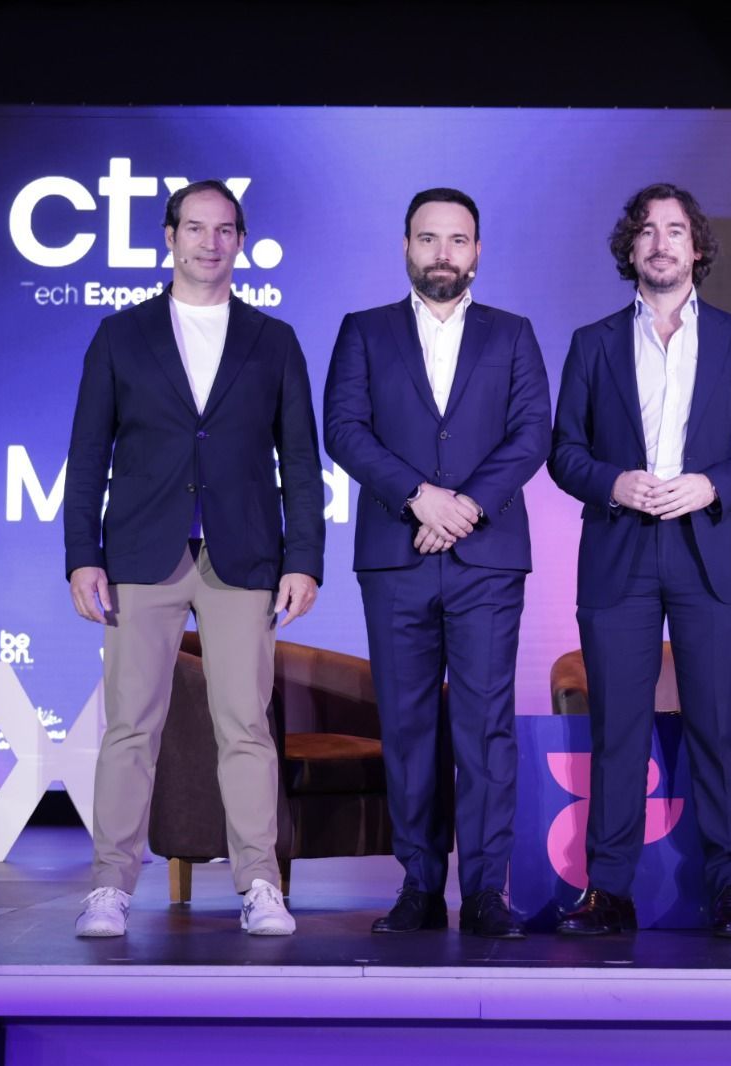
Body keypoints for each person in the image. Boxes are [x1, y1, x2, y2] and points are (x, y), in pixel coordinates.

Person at [63, 180, 325, 937]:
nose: (211, 243)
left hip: (243, 555)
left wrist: (303, 559)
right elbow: (88, 455)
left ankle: (260, 884)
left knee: (245, 726)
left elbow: (299, 463)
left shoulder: (273, 340)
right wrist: (82, 554)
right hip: (142, 553)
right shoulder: (121, 335)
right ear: (170, 237)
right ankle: (110, 886)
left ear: (240, 241)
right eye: (196, 228)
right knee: (130, 728)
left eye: (225, 230)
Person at [323, 188, 550, 940]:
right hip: (396, 557)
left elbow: (532, 433)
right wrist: (420, 498)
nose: (443, 253)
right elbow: (344, 430)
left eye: (457, 240)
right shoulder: (364, 331)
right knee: (407, 724)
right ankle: (419, 885)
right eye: (428, 239)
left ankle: (486, 890)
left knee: (486, 727)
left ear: (477, 251)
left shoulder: (512, 334)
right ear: (406, 247)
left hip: (487, 559)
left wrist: (465, 508)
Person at [549, 183, 731, 938]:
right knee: (618, 728)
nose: (660, 242)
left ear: (696, 247)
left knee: (716, 728)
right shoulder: (593, 343)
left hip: (709, 549)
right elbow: (564, 452)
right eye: (646, 230)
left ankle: (730, 890)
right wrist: (614, 482)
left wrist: (712, 484)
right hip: (620, 551)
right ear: (630, 248)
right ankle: (607, 890)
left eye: (675, 230)